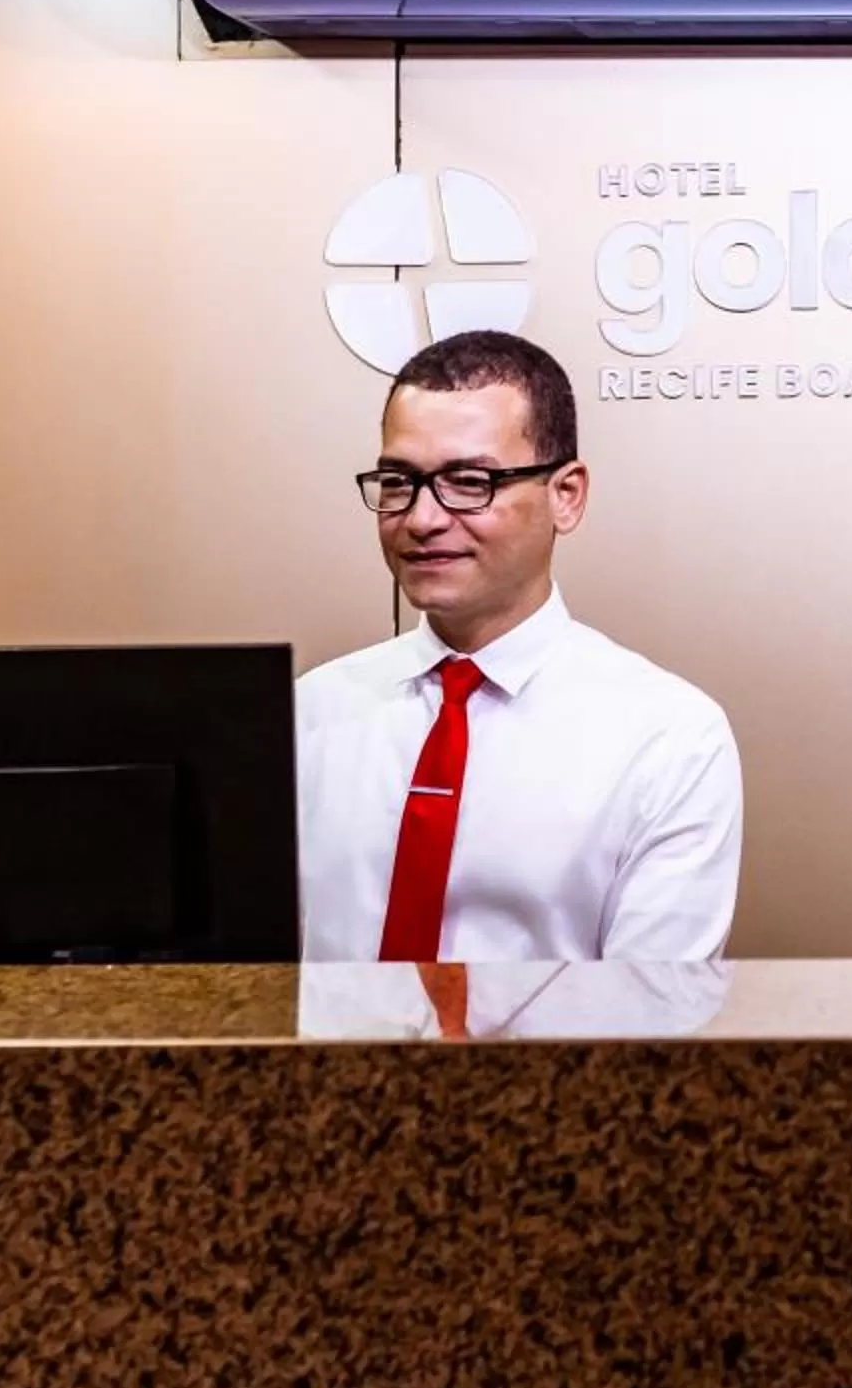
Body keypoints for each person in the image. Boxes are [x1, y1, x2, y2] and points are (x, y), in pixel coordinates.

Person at [296, 330, 742, 961]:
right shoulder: (310, 713)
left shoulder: (668, 738)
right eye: (398, 481)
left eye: (469, 481)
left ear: (566, 495)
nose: (422, 519)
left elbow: (649, 1007)